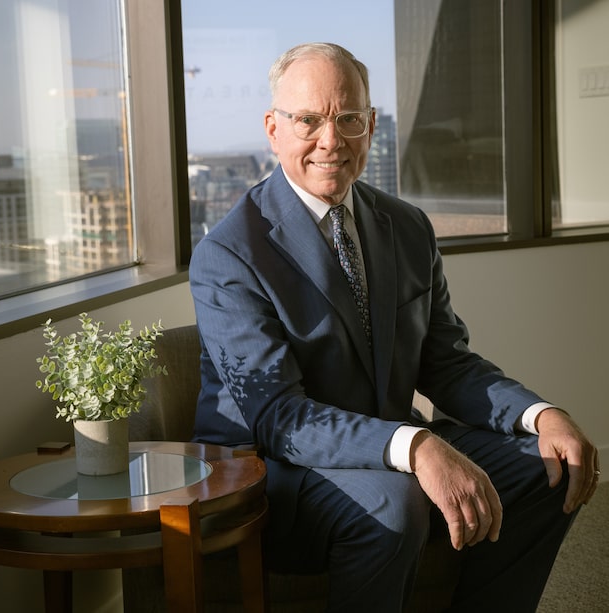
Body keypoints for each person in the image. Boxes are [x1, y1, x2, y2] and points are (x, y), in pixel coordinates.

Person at [188, 42, 599, 612]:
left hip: (387, 443)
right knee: (393, 498)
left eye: (348, 119)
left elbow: (447, 362)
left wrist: (542, 414)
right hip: (279, 471)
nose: (331, 140)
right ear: (273, 128)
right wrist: (416, 445)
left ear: (371, 124)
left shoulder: (406, 226)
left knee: (548, 464)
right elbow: (279, 418)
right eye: (308, 120)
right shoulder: (230, 253)